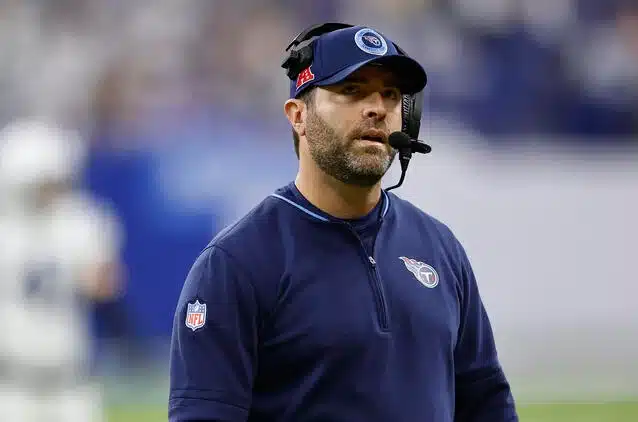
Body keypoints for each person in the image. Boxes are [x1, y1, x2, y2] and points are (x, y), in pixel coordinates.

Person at [169, 23, 518, 422]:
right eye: (352, 90)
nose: (377, 108)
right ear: (298, 116)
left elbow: (487, 402)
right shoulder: (236, 264)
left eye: (391, 94)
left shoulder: (439, 247)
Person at [0, 119, 124, 422]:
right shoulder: (79, 225)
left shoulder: (81, 223)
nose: (52, 191)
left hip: (70, 380)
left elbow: (106, 287)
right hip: (11, 381)